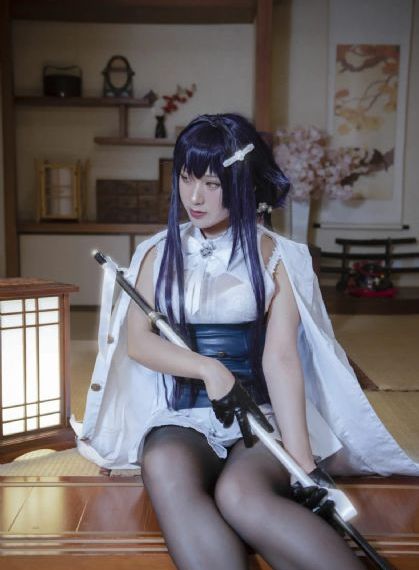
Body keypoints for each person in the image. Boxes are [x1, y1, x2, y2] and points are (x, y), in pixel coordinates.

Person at [74, 113, 419, 570]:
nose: (194, 197)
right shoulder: (157, 252)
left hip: (260, 416)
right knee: (163, 464)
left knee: (239, 494)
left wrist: (302, 461)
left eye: (212, 183)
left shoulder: (278, 255)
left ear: (241, 183)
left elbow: (281, 358)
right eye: (186, 178)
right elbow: (138, 342)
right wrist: (207, 368)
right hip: (183, 416)